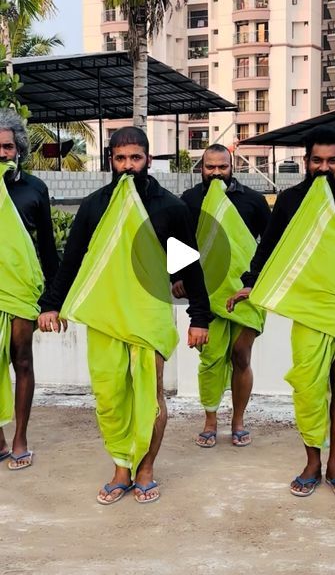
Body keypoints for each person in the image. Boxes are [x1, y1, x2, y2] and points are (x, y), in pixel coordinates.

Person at [38, 126, 210, 504]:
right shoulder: (94, 205)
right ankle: (120, 466)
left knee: (150, 398)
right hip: (105, 316)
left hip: (149, 314)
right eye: (120, 159)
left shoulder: (170, 207)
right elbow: (72, 260)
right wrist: (51, 303)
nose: (128, 166)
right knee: (110, 397)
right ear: (110, 161)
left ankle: (145, 468)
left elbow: (189, 266)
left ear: (148, 159)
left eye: (135, 158)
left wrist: (200, 318)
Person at [228, 124, 335, 499]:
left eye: (332, 161)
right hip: (309, 310)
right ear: (305, 161)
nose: (324, 167)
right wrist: (252, 281)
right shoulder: (289, 201)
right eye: (317, 160)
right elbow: (269, 247)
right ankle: (312, 462)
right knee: (308, 386)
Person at [173, 144, 270, 448]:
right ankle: (210, 420)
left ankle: (238, 420)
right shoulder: (189, 200)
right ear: (201, 168)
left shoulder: (253, 201)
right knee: (212, 358)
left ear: (232, 167)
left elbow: (268, 244)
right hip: (207, 291)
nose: (216, 173)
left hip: (246, 291)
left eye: (222, 167)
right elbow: (177, 239)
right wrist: (176, 276)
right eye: (209, 167)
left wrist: (257, 283)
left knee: (241, 355)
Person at [0, 109, 58, 470]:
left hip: (22, 288)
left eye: (7, 146)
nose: (1, 153)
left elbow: (49, 248)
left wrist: (54, 299)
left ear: (18, 149)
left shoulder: (34, 188)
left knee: (22, 359)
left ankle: (20, 436)